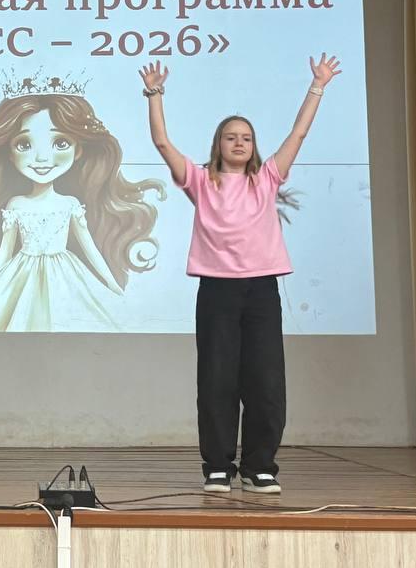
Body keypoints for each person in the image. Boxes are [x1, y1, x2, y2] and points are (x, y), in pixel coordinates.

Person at [139, 54, 342, 495]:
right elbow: (161, 142)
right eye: (231, 137)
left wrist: (318, 86)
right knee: (217, 380)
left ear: (254, 146)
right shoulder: (201, 181)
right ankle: (217, 466)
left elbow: (298, 133)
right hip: (217, 292)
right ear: (218, 144)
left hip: (261, 292)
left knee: (266, 381)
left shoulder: (266, 179)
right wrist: (155, 94)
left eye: (246, 138)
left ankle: (258, 466)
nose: (239, 143)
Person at [0, 80, 162, 332]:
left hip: (66, 276)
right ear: (10, 154)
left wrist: (112, 284)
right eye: (24, 145)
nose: (41, 158)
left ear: (78, 150)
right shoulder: (16, 205)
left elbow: (91, 249)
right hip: (20, 276)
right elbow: (5, 251)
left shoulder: (70, 204)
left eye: (60, 143)